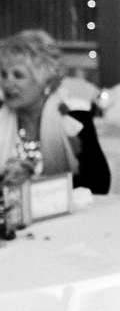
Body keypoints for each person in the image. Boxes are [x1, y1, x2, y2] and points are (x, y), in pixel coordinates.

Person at [0, 29, 111, 194]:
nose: (7, 84)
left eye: (18, 75)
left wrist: (34, 183)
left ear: (45, 80)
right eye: (3, 74)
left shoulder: (73, 118)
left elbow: (99, 183)